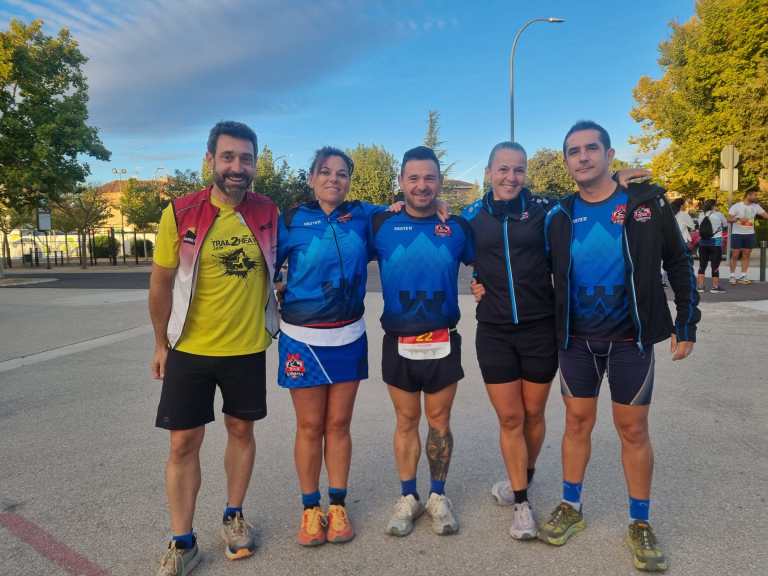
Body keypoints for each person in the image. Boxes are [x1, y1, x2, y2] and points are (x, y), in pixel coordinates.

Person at [541, 121, 700, 572]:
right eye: (574, 151)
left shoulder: (645, 203)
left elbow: (678, 261)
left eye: (592, 148)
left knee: (633, 431)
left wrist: (686, 322)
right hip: (577, 342)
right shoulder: (559, 213)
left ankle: (640, 521)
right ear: (567, 161)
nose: (583, 157)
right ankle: (571, 506)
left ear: (610, 155)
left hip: (631, 341)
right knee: (576, 424)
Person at [149, 121, 279, 576]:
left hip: (246, 349)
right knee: (183, 443)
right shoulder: (180, 212)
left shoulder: (268, 212)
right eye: (228, 157)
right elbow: (161, 282)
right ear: (210, 161)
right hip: (189, 348)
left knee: (241, 433)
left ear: (255, 163)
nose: (237, 167)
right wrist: (160, 343)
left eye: (246, 158)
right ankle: (182, 541)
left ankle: (234, 515)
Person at [275, 147, 381, 547]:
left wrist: (438, 200)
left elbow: (405, 207)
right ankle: (309, 508)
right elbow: (264, 264)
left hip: (349, 335)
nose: (333, 179)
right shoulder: (292, 220)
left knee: (338, 425)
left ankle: (337, 505)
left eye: (341, 173)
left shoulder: (365, 217)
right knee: (309, 426)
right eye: (325, 172)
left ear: (349, 180)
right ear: (311, 177)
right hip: (302, 338)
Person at [371, 146, 474, 537]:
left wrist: (481, 284)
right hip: (398, 340)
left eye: (429, 178)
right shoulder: (380, 223)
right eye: (413, 178)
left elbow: (490, 260)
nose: (422, 185)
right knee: (406, 420)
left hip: (443, 338)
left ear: (440, 183)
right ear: (401, 182)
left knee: (439, 422)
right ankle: (408, 495)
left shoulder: (458, 228)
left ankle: (437, 495)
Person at [461, 142, 556, 540]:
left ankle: (524, 475)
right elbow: (436, 227)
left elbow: (588, 202)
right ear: (488, 172)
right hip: (495, 331)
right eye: (503, 169)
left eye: (518, 170)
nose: (510, 177)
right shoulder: (471, 217)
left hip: (540, 328)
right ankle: (521, 502)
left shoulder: (546, 213)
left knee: (533, 416)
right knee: (511, 418)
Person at [728, 189, 767, 285]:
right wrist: (737, 218)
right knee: (735, 255)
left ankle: (743, 276)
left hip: (750, 234)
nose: (756, 197)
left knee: (746, 255)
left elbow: (766, 216)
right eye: (754, 195)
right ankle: (732, 276)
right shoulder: (736, 206)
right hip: (737, 234)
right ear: (748, 196)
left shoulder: (756, 206)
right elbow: (729, 219)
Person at [696, 199, 728, 293]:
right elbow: (725, 224)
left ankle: (700, 287)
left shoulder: (701, 215)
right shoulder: (719, 214)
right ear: (713, 206)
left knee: (702, 265)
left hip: (703, 243)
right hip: (715, 243)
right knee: (715, 265)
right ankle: (715, 287)